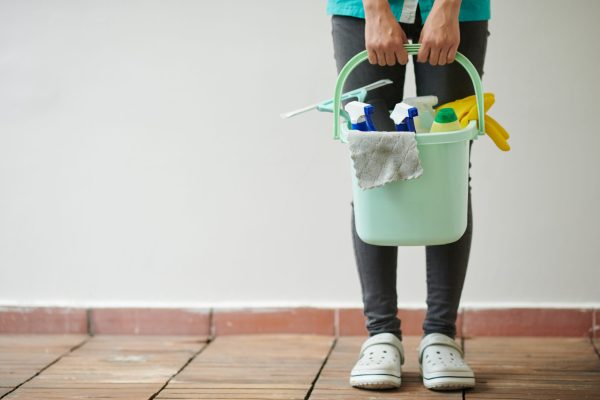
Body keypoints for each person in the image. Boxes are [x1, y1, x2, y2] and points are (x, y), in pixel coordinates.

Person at [327, 0, 490, 391]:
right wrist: (374, 8)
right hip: (361, 9)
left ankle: (441, 337)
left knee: (447, 169)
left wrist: (448, 8)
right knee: (374, 164)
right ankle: (381, 336)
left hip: (458, 8)